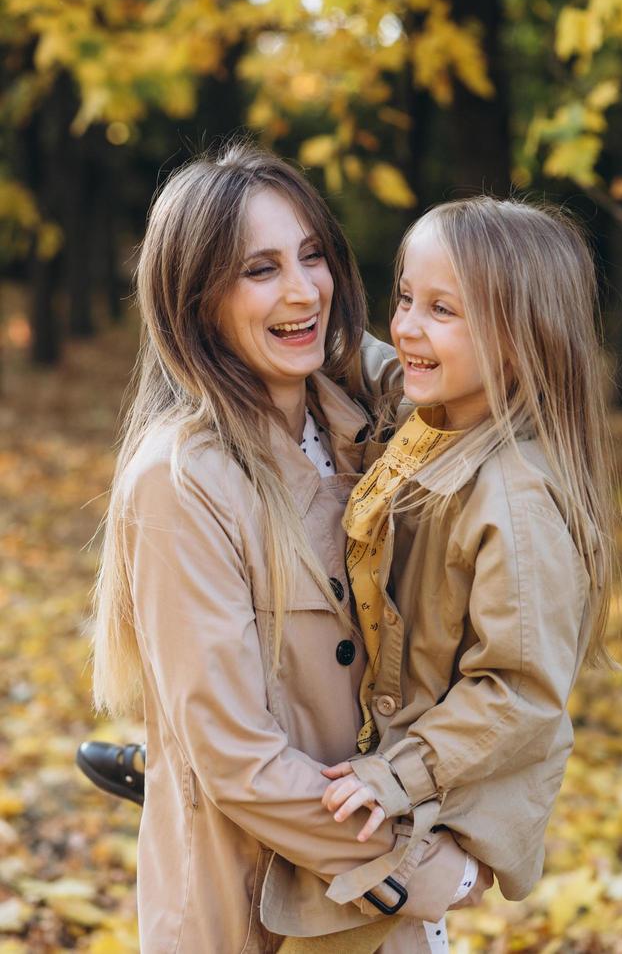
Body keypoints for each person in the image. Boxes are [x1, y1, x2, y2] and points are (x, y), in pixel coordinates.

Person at [89, 143, 491, 954]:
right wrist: (424, 865)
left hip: (383, 896)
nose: (303, 290)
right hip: (260, 906)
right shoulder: (179, 481)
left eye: (312, 255)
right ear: (195, 298)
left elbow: (460, 365)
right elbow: (237, 757)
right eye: (259, 269)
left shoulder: (356, 421)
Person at [305, 197, 615, 943]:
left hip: (433, 804)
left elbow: (516, 692)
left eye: (442, 308)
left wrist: (396, 774)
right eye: (407, 295)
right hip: (392, 772)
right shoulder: (438, 417)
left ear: (520, 339)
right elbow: (374, 357)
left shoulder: (516, 499)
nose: (407, 324)